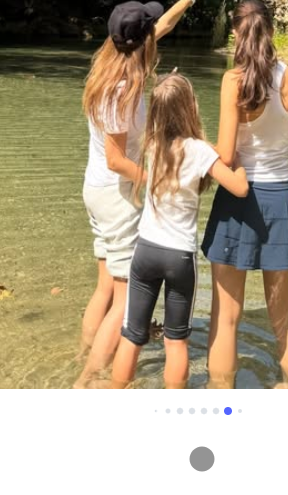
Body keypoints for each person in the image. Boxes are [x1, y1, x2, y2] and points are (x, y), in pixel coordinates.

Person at [75, 0, 215, 387]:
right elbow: (116, 159)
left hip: (95, 190)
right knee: (124, 299)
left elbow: (162, 25)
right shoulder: (122, 89)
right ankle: (88, 379)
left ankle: (83, 356)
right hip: (116, 196)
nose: (157, 31)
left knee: (106, 286)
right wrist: (160, 182)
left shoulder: (111, 65)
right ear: (142, 42)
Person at [202, 0, 288, 388]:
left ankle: (221, 397)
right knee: (286, 318)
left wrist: (197, 147)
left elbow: (227, 155)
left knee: (226, 318)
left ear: (235, 33)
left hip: (238, 200)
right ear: (272, 32)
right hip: (282, 201)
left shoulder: (233, 81)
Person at [111, 72, 248, 390]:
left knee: (132, 335)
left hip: (146, 250)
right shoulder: (200, 151)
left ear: (156, 111)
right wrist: (240, 163)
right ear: (190, 107)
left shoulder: (152, 145)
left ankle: (116, 394)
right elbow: (239, 188)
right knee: (176, 341)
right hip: (179, 256)